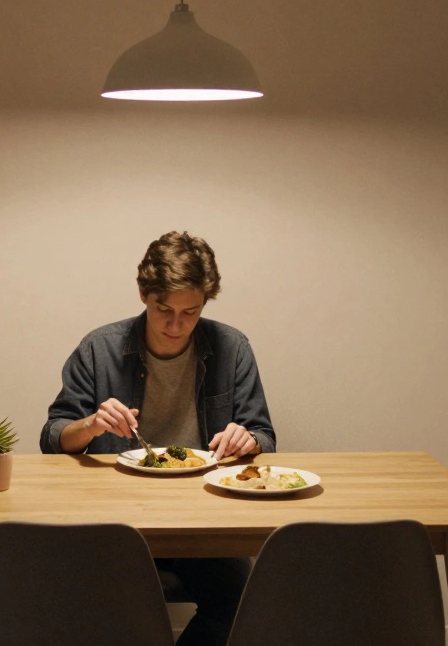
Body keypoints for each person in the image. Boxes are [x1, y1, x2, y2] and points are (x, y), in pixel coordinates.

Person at [39, 230, 275, 646]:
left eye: (190, 312)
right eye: (163, 309)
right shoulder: (99, 348)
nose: (176, 325)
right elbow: (53, 437)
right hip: (118, 519)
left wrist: (247, 439)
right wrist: (91, 424)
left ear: (205, 303)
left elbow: (264, 437)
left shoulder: (232, 347)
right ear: (144, 295)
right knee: (91, 604)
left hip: (204, 519)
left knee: (244, 602)